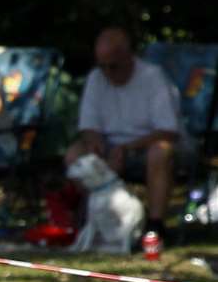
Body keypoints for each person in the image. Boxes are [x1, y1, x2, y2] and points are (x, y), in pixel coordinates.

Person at [65, 26, 180, 244]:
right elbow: (88, 126)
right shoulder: (96, 78)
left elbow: (168, 131)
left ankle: (155, 226)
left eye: (113, 66)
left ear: (128, 56)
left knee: (161, 151)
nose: (107, 72)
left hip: (146, 145)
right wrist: (95, 144)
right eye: (103, 66)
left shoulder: (152, 77)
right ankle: (100, 220)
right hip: (109, 147)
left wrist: (128, 148)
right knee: (74, 155)